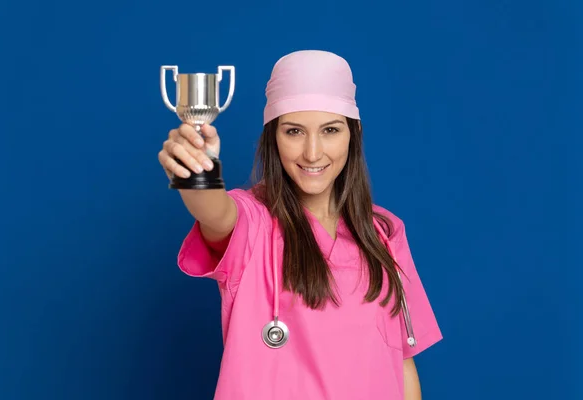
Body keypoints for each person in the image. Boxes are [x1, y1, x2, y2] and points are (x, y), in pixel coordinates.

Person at [158, 50, 442, 400]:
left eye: (330, 130)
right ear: (273, 138)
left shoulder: (383, 232)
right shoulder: (254, 222)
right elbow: (214, 213)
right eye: (294, 131)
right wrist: (197, 174)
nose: (312, 152)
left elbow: (402, 364)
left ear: (352, 135)